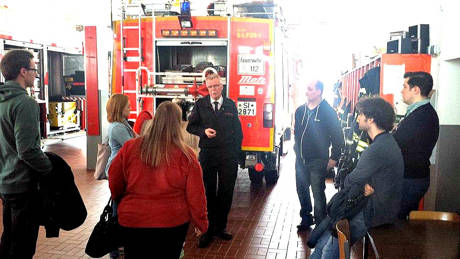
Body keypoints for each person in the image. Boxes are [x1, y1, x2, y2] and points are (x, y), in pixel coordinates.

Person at [108, 101, 208, 258]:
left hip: (133, 220)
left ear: (155, 119)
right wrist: (201, 222)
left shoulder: (130, 147)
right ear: (178, 123)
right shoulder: (187, 155)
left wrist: (121, 198)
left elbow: (114, 178)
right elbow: (196, 195)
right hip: (172, 222)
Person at [311, 97, 404, 259]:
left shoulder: (377, 148)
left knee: (329, 250)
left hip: (374, 212)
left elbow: (350, 181)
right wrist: (364, 186)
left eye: (361, 114)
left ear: (371, 119)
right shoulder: (386, 142)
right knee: (323, 242)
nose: (358, 118)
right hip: (372, 204)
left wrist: (362, 185)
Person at [0, 49, 53, 258]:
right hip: (23, 185)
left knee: (9, 239)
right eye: (34, 69)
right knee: (22, 245)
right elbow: (28, 150)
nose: (35, 73)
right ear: (23, 71)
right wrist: (49, 169)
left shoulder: (3, 100)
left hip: (5, 182)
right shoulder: (25, 103)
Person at [186, 72, 243, 248]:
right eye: (210, 87)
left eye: (216, 86)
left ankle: (220, 228)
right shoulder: (201, 104)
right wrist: (204, 132)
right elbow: (191, 126)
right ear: (207, 87)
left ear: (222, 86)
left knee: (226, 193)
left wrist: (236, 154)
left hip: (228, 156)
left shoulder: (230, 105)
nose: (213, 90)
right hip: (208, 155)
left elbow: (238, 132)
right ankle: (207, 230)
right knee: (208, 193)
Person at [293, 80, 344, 230]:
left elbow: (337, 136)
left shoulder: (328, 112)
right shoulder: (300, 111)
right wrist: (297, 151)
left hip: (318, 160)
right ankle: (306, 218)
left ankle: (321, 224)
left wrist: (334, 157)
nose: (306, 92)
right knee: (301, 190)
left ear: (319, 91)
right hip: (301, 160)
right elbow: (297, 133)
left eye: (310, 89)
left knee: (317, 193)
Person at [393, 72, 439, 219]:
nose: (401, 90)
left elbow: (396, 143)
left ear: (416, 90)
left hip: (411, 179)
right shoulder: (418, 113)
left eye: (405, 86)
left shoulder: (421, 116)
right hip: (411, 177)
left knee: (395, 224)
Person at [104, 93, 136, 259]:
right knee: (117, 212)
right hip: (118, 171)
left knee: (120, 208)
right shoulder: (117, 127)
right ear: (119, 108)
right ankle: (115, 251)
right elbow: (133, 146)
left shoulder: (123, 124)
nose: (130, 107)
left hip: (122, 170)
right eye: (127, 105)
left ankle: (118, 247)